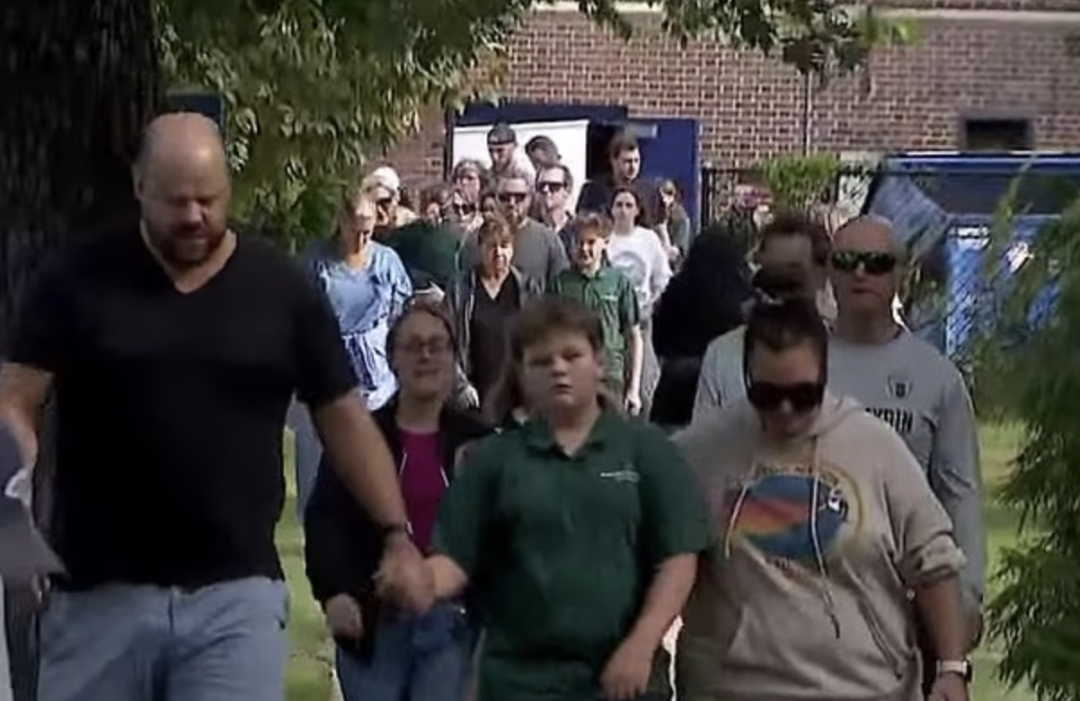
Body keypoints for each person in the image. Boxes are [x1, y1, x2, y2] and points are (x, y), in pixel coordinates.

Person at [0, 112, 431, 701]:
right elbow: (16, 400)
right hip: (99, 596)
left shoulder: (280, 289)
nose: (194, 216)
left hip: (235, 598)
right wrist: (12, 514)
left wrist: (396, 533)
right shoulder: (79, 279)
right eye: (176, 202)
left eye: (208, 199)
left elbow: (344, 418)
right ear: (139, 187)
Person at [411, 297, 712, 701]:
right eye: (541, 361)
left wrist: (641, 645)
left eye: (572, 356)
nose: (558, 368)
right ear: (521, 373)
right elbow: (455, 558)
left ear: (599, 362)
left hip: (623, 677)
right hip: (519, 683)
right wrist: (417, 580)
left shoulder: (647, 451)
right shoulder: (493, 460)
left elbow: (678, 557)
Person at [675, 298, 971, 701]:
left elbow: (934, 562)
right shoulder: (701, 452)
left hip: (864, 687)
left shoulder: (875, 448)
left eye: (803, 395)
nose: (785, 410)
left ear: (825, 376)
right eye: (767, 395)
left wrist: (952, 669)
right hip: (733, 686)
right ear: (746, 378)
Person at [827, 215, 986, 692]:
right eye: (846, 261)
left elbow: (960, 493)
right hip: (818, 595)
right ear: (829, 271)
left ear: (901, 274)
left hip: (908, 598)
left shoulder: (937, 377)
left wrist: (967, 597)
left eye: (876, 263)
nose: (860, 273)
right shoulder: (803, 369)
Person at [305, 302, 491, 701]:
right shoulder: (363, 439)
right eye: (413, 346)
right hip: (374, 624)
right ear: (392, 359)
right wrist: (334, 593)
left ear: (453, 358)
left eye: (437, 346)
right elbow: (325, 521)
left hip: (453, 625)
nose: (426, 355)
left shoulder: (479, 442)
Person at [292, 190, 413, 514]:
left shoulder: (387, 262)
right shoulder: (316, 262)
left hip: (378, 382)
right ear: (341, 222)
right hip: (328, 374)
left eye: (368, 231)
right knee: (319, 477)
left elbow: (402, 316)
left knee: (376, 474)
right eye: (356, 230)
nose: (361, 239)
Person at [692, 212, 831, 420]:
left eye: (793, 275)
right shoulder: (721, 353)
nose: (779, 289)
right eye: (771, 274)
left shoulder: (840, 353)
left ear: (821, 275)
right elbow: (703, 434)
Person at [649, 230, 753, 429]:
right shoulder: (739, 297)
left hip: (676, 384)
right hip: (722, 382)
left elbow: (659, 337)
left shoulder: (677, 289)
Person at [446, 214, 544, 414]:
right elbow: (445, 342)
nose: (498, 253)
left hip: (517, 400)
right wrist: (460, 386)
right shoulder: (460, 289)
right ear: (480, 248)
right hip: (473, 397)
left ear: (513, 249)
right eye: (492, 246)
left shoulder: (527, 289)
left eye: (504, 246)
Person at [548, 212, 643, 413]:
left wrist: (634, 389)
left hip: (610, 378)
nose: (584, 248)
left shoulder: (619, 283)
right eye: (579, 242)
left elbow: (634, 337)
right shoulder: (560, 284)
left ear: (605, 243)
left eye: (591, 242)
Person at [607, 187, 673, 414]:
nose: (623, 210)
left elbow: (662, 277)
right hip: (612, 320)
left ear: (637, 210)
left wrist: (652, 302)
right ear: (611, 210)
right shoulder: (606, 239)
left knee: (645, 384)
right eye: (619, 205)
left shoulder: (648, 239)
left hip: (642, 318)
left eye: (629, 205)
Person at [459, 175, 568, 285]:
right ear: (496, 199)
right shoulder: (476, 240)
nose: (512, 203)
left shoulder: (548, 241)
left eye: (519, 197)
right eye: (505, 197)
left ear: (530, 199)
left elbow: (561, 287)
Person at [577, 130, 664, 229]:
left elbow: (660, 226)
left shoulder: (650, 192)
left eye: (636, 161)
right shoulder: (593, 190)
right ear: (613, 160)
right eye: (627, 161)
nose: (633, 167)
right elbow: (581, 223)